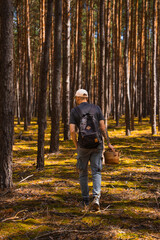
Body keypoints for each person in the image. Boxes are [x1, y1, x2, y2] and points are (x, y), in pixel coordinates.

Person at [70, 89, 115, 211]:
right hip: (97, 145)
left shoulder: (75, 111)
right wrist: (109, 143)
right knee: (96, 172)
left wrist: (76, 144)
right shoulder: (96, 108)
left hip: (83, 146)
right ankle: (96, 198)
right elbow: (102, 127)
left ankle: (85, 200)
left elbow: (73, 130)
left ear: (78, 99)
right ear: (87, 98)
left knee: (83, 173)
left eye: (75, 98)